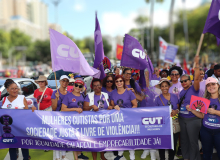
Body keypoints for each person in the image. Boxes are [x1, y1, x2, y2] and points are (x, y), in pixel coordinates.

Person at [1, 79, 36, 160]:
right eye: (12, 88)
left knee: (24, 145)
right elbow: (3, 113)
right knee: (12, 146)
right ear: (7, 90)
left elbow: (27, 112)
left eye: (16, 88)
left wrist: (32, 109)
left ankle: (26, 158)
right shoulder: (4, 99)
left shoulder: (22, 98)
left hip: (21, 127)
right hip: (9, 128)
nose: (15, 90)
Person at [178, 56, 204, 160]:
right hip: (182, 118)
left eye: (185, 81)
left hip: (193, 119)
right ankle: (186, 157)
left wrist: (196, 64)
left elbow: (197, 78)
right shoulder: (181, 92)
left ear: (190, 81)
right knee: (184, 140)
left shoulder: (195, 88)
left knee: (193, 141)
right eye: (182, 81)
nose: (184, 83)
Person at [84, 78, 113, 160]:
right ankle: (94, 158)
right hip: (93, 122)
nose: (97, 87)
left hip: (104, 122)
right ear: (92, 87)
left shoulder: (106, 94)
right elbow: (85, 108)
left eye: (98, 85)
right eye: (95, 86)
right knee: (94, 141)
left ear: (101, 86)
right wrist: (91, 106)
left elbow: (109, 105)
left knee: (102, 140)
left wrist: (110, 107)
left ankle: (102, 156)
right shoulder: (89, 95)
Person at [110, 75, 137, 160]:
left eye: (120, 81)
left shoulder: (129, 92)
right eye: (117, 81)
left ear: (123, 82)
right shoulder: (113, 93)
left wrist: (128, 113)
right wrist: (114, 107)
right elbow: (111, 105)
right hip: (118, 119)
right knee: (120, 136)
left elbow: (135, 105)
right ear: (115, 83)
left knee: (129, 136)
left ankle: (132, 153)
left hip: (129, 118)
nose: (119, 83)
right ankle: (120, 153)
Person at [61, 79, 88, 160]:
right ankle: (76, 158)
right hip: (71, 122)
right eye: (76, 85)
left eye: (80, 86)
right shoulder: (68, 96)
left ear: (82, 88)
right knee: (74, 140)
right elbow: (63, 109)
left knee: (79, 138)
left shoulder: (83, 96)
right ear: (73, 85)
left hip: (80, 121)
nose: (77, 87)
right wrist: (74, 109)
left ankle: (80, 154)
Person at [153, 78, 179, 160]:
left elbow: (178, 108)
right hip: (163, 125)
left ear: (169, 87)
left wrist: (176, 111)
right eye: (162, 86)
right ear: (160, 88)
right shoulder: (157, 99)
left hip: (174, 124)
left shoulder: (174, 96)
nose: (164, 88)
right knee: (162, 144)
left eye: (166, 86)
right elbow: (155, 113)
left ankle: (171, 158)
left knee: (173, 144)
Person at [200, 77, 220, 159]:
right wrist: (192, 110)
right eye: (208, 85)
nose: (211, 86)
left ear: (218, 85)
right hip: (206, 131)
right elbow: (202, 116)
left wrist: (215, 112)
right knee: (206, 154)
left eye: (213, 84)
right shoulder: (204, 99)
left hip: (219, 131)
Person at [51, 75, 69, 160]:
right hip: (56, 117)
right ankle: (57, 157)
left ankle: (63, 155)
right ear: (60, 81)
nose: (65, 82)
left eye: (66, 81)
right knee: (57, 138)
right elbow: (53, 108)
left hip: (65, 118)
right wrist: (57, 98)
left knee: (64, 137)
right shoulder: (54, 92)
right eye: (63, 80)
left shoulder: (69, 93)